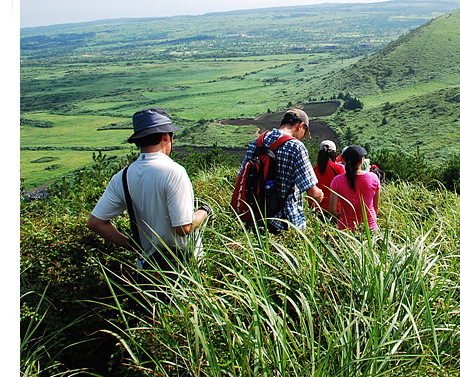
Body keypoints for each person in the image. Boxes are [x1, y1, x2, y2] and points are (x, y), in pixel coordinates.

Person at [87, 107, 212, 274]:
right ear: (166, 136)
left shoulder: (122, 177)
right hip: (184, 270)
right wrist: (204, 212)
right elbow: (184, 228)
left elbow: (96, 223)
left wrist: (133, 245)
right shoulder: (174, 172)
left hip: (147, 270)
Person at [238, 109, 323, 231]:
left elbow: (241, 177)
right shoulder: (296, 147)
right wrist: (320, 195)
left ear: (282, 124)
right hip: (286, 222)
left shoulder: (258, 141)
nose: (302, 138)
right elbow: (313, 194)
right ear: (301, 126)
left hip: (255, 218)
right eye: (304, 133)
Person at [328, 144, 380, 231]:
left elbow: (332, 209)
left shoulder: (337, 181)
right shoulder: (373, 178)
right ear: (362, 161)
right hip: (370, 227)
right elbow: (376, 206)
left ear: (344, 161)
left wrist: (341, 220)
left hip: (346, 228)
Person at [313, 140, 345, 215]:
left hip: (318, 211)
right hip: (335, 211)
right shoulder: (338, 168)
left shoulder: (314, 169)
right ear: (334, 153)